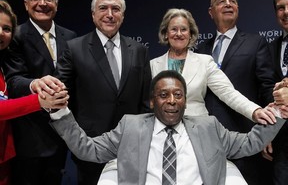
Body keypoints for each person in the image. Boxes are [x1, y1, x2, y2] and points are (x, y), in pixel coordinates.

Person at [48, 70, 285, 185]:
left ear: (184, 100)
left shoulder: (207, 126)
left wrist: (279, 111)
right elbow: (86, 149)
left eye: (178, 95)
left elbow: (249, 143)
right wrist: (60, 112)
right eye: (163, 95)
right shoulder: (130, 126)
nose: (172, 100)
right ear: (152, 101)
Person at [52, 0, 152, 184]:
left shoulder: (139, 50)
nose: (109, 14)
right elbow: (62, 95)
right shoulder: (74, 48)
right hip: (90, 145)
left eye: (115, 9)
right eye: (103, 8)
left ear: (122, 15)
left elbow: (146, 98)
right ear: (93, 14)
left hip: (131, 143)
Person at [195, 0, 276, 184]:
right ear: (211, 12)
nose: (228, 4)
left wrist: (269, 132)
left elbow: (266, 88)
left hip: (243, 137)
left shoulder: (256, 43)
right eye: (221, 1)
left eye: (233, 1)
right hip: (206, 139)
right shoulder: (200, 49)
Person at [2, 0, 77, 185]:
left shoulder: (70, 37)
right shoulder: (14, 35)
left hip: (62, 134)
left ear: (57, 4)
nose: (42, 3)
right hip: (29, 136)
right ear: (26, 4)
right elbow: (13, 81)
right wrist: (34, 84)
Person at [267, 0, 288, 185]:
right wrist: (266, 133)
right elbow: (264, 91)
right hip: (281, 145)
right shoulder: (270, 47)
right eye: (281, 8)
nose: (286, 12)